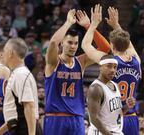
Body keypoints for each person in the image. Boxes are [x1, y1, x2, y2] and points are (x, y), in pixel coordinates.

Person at [43, 5, 110, 135]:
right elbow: (52, 43)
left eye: (75, 43)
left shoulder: (81, 61)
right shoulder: (54, 62)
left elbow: (105, 50)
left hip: (77, 118)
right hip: (55, 118)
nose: (73, 46)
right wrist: (68, 23)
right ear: (62, 43)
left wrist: (90, 26)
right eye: (69, 43)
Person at [81, 6, 141, 135]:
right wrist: (116, 25)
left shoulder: (110, 62)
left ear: (112, 46)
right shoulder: (137, 60)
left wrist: (92, 25)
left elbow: (85, 45)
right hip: (132, 117)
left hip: (113, 121)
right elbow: (126, 42)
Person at [0, 38, 39, 135]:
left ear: (10, 52)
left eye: (4, 51)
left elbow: (29, 107)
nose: (2, 55)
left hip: (25, 129)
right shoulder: (19, 73)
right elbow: (14, 115)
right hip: (20, 127)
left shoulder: (20, 75)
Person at [87, 55, 123, 135]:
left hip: (116, 131)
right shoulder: (96, 88)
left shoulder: (115, 85)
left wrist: (128, 106)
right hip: (100, 133)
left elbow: (116, 113)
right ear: (100, 67)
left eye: (115, 67)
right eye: (109, 66)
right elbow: (94, 118)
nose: (113, 70)